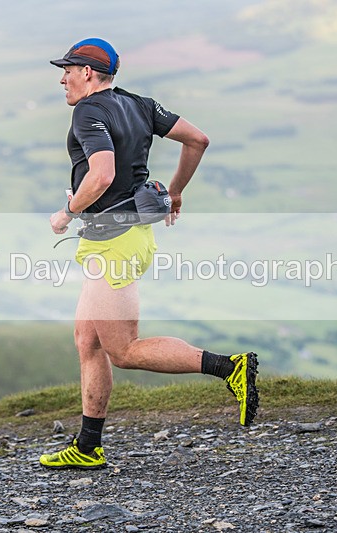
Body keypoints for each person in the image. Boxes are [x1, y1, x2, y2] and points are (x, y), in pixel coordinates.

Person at [41, 38, 258, 470]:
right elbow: (197, 139)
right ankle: (87, 447)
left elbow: (102, 175)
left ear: (87, 73)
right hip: (124, 235)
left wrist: (66, 212)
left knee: (123, 350)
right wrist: (175, 192)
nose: (62, 78)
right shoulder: (139, 104)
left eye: (67, 69)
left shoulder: (88, 111)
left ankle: (229, 368)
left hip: (114, 242)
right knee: (88, 341)